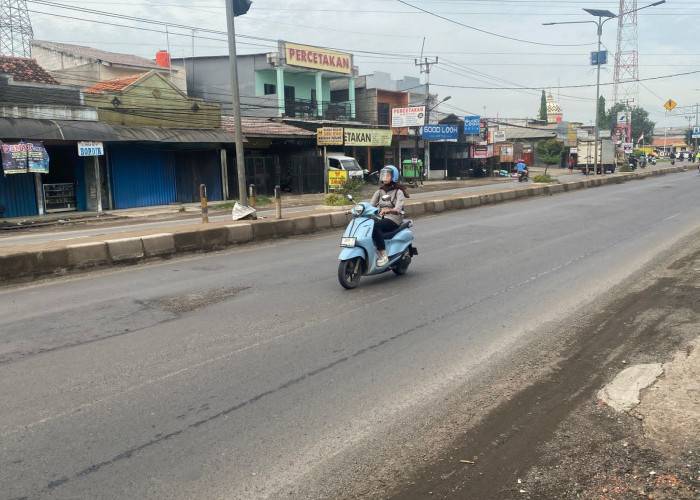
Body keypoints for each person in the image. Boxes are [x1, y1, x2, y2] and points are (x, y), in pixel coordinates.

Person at [370, 165, 408, 266]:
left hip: (394, 219)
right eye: (383, 175)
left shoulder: (398, 192)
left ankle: (383, 255)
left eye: (387, 176)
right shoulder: (380, 191)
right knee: (367, 224)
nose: (385, 178)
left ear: (393, 177)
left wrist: (389, 210)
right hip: (381, 218)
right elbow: (370, 206)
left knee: (375, 227)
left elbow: (398, 209)